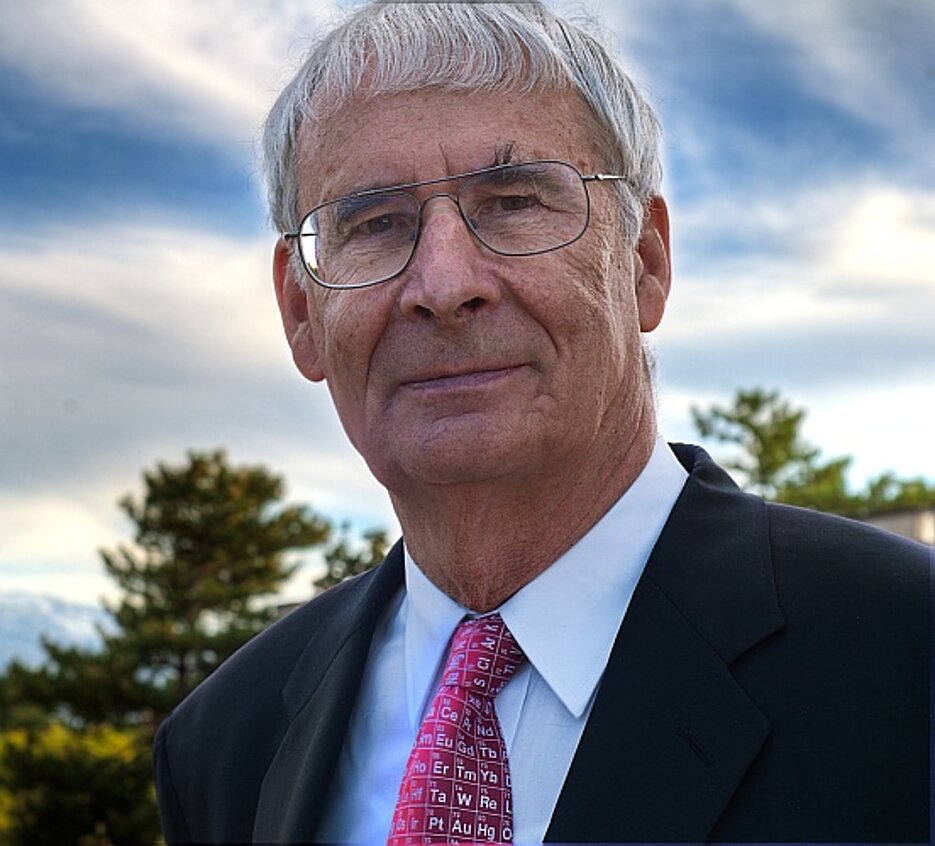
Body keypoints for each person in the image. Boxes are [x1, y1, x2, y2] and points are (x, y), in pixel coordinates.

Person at [153, 2, 931, 843]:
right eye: (375, 224)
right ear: (301, 313)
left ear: (644, 264)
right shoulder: (223, 745)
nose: (444, 285)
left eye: (513, 202)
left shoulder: (906, 655)